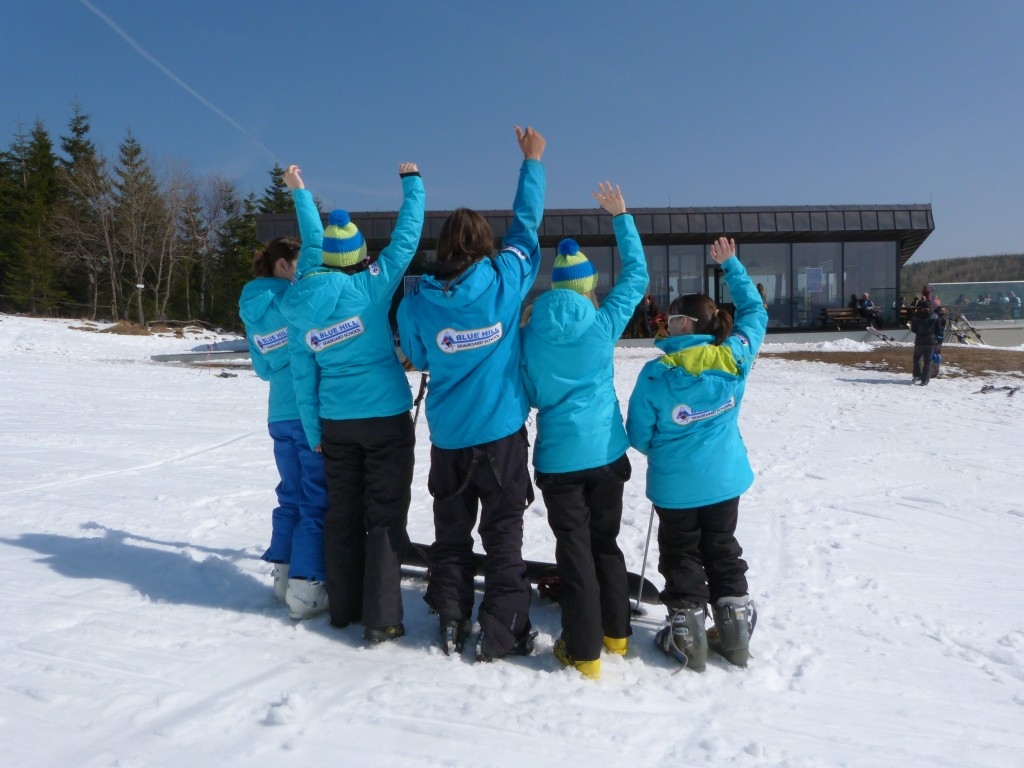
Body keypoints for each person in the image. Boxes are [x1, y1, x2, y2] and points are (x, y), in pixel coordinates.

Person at [397, 126, 545, 662]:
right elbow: (526, 229)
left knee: (452, 533)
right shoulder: (504, 279)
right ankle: (504, 629)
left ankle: (450, 615)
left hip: (451, 437)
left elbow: (417, 355)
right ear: (485, 244)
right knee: (504, 534)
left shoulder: (417, 300)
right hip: (502, 433)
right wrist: (532, 164)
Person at [280, 161, 425, 643]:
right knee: (383, 517)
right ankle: (381, 618)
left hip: (336, 424)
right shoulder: (371, 285)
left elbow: (303, 377)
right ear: (361, 254)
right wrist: (412, 184)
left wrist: (315, 432)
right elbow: (405, 240)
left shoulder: (301, 304)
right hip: (385, 420)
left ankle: (343, 608)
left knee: (341, 514)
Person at [520, 182, 648, 680]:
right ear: (589, 286)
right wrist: (621, 217)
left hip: (560, 459)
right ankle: (615, 635)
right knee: (605, 544)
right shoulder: (601, 323)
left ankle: (585, 651)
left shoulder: (529, 333)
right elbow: (636, 276)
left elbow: (530, 394)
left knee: (574, 553)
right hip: (606, 454)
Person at [626, 236, 767, 672]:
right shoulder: (734, 357)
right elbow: (755, 313)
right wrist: (732, 267)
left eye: (670, 319)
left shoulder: (656, 374)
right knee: (722, 547)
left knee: (682, 553)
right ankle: (735, 636)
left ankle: (689, 639)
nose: (664, 325)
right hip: (724, 480)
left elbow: (639, 435)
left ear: (685, 324)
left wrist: (667, 446)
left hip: (676, 487)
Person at [238, 210, 329, 619]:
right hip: (306, 412)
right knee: (315, 496)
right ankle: (307, 587)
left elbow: (261, 368)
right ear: (282, 265)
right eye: (298, 266)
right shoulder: (291, 299)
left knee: (290, 493)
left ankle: (284, 575)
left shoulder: (252, 307)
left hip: (278, 414)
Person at [910, 304, 939, 386]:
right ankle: (925, 380)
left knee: (916, 359)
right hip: (930, 341)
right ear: (929, 308)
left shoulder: (915, 316)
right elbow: (938, 329)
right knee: (928, 361)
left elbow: (913, 329)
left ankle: (917, 375)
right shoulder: (934, 317)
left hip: (919, 341)